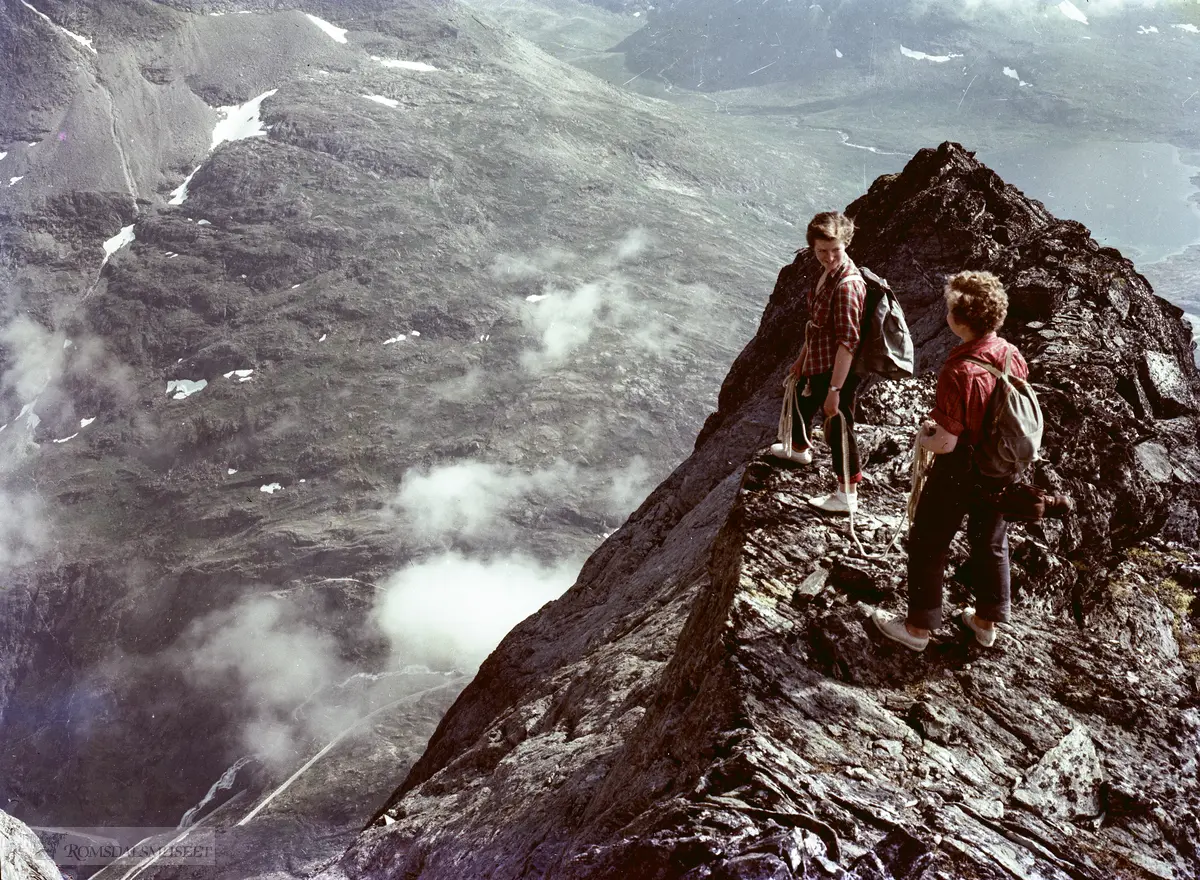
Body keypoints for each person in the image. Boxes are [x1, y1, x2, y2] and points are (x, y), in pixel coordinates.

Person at [872, 270, 1028, 651]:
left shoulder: (959, 371)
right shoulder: (1011, 354)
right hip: (1001, 469)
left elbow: (945, 443)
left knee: (928, 541)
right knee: (991, 543)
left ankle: (917, 630)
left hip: (961, 471)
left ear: (960, 321)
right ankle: (984, 623)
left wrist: (926, 434)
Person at [770, 211, 868, 515]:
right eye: (821, 251)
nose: (828, 257)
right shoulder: (828, 273)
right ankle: (799, 449)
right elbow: (816, 325)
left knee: (838, 425)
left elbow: (848, 343)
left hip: (838, 368)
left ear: (846, 243)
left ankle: (847, 494)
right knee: (800, 394)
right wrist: (801, 360)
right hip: (820, 359)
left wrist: (835, 390)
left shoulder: (848, 285)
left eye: (834, 249)